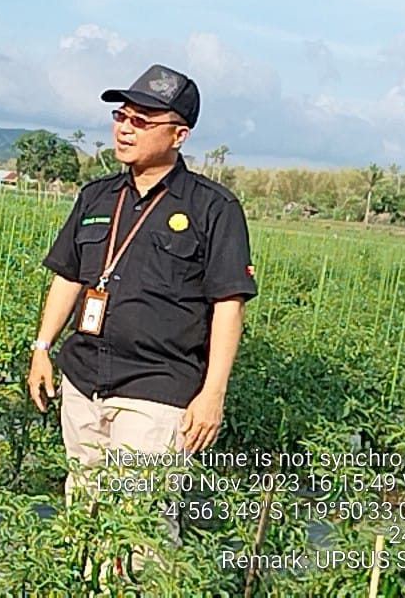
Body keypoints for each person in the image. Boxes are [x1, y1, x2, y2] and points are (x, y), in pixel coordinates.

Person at [26, 64, 258, 573]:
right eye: (121, 116)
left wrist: (212, 392)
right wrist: (42, 349)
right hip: (84, 379)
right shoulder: (96, 197)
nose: (125, 128)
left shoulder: (212, 208)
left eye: (142, 120)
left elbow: (228, 304)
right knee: (82, 513)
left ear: (178, 135)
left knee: (139, 524)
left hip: (158, 390)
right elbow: (67, 276)